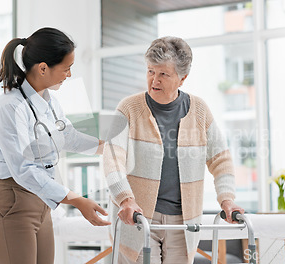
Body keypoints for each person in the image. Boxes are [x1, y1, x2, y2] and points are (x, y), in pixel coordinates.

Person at [103, 36, 244, 264]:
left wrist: (226, 199)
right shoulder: (129, 108)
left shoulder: (199, 110)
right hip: (137, 219)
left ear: (182, 78)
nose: (154, 80)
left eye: (163, 74)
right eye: (150, 71)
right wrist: (125, 199)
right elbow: (112, 159)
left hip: (183, 221)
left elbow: (221, 159)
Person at [0, 27, 110, 264]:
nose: (69, 75)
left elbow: (68, 137)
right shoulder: (9, 107)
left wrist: (108, 148)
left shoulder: (49, 102)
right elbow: (23, 170)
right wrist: (77, 200)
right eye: (66, 68)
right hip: (10, 200)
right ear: (42, 68)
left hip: (40, 202)